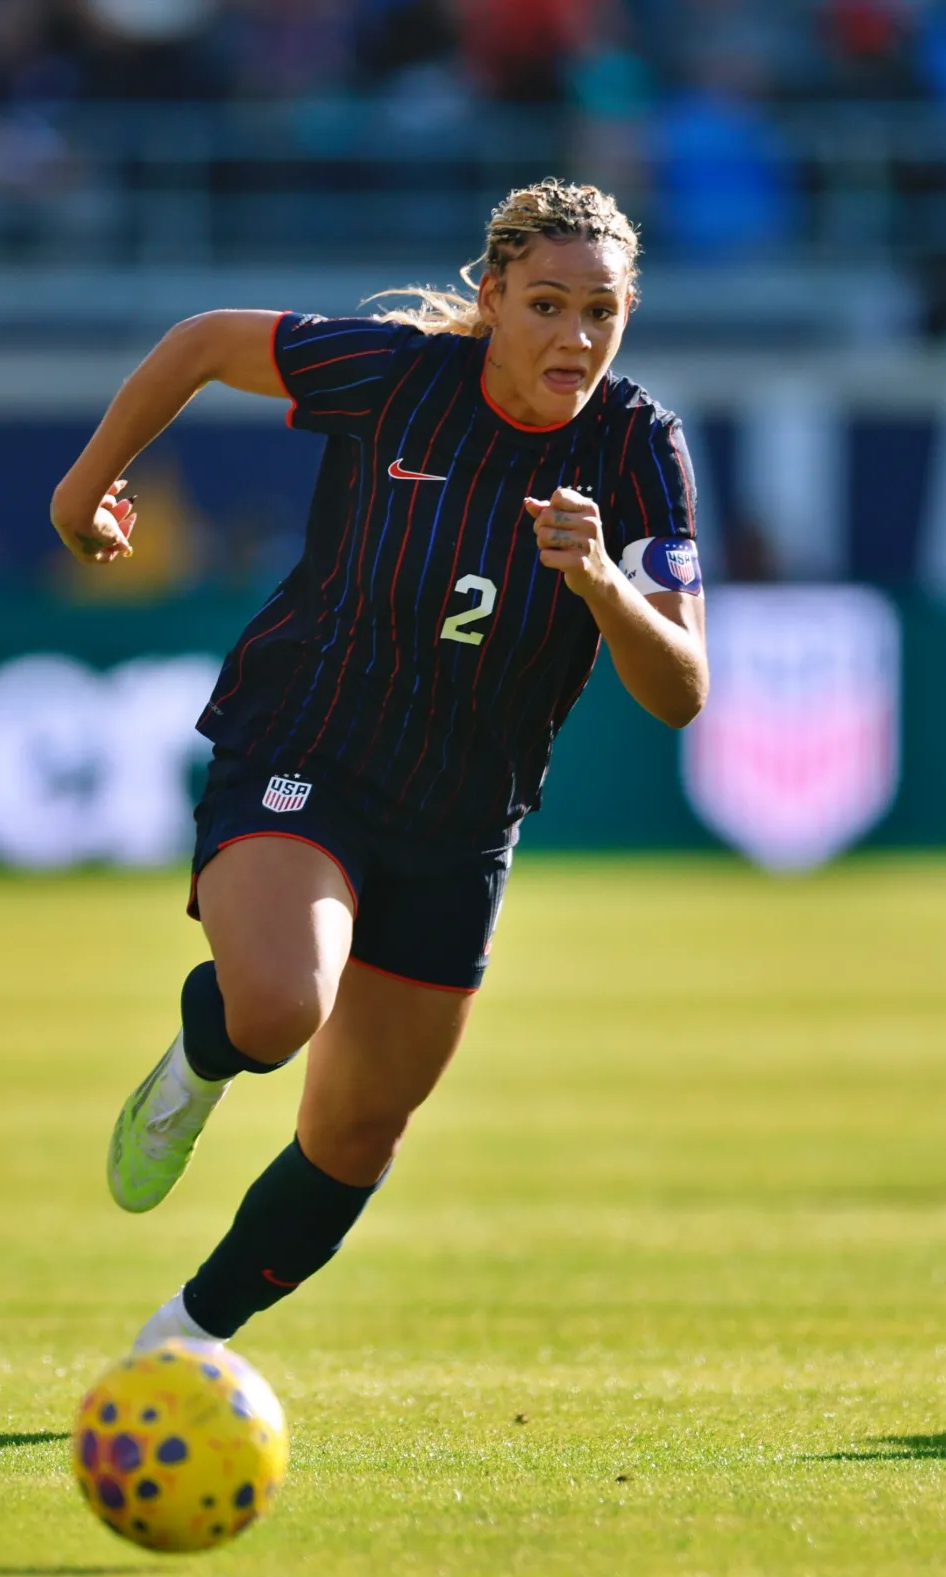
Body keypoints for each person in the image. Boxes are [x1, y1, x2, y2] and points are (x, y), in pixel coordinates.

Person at [50, 179, 709, 1350]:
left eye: (600, 311)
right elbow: (202, 343)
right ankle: (200, 1059)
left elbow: (680, 691)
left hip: (460, 819)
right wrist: (81, 485)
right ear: (491, 295)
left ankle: (182, 1342)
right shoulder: (401, 376)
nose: (574, 337)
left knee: (356, 1134)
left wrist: (603, 586)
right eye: (546, 304)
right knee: (276, 1006)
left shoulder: (639, 444)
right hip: (308, 745)